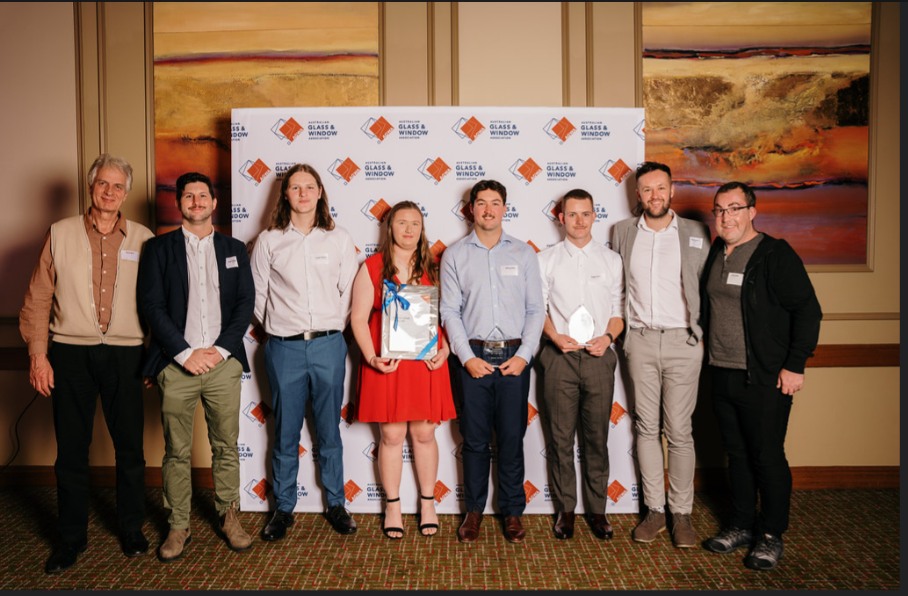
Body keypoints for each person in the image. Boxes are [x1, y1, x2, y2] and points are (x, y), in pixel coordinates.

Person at [20, 154, 154, 574]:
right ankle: (70, 538)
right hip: (69, 353)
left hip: (127, 353)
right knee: (71, 451)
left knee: (130, 448)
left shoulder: (144, 238)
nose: (110, 192)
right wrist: (38, 355)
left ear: (126, 193)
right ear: (91, 186)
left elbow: (157, 304)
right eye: (103, 184)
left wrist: (154, 357)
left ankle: (131, 528)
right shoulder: (59, 233)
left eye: (118, 186)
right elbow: (39, 297)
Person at [700, 181, 821, 571]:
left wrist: (795, 364)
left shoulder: (774, 254)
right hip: (721, 371)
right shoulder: (718, 252)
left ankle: (770, 534)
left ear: (753, 211)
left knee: (766, 456)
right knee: (735, 455)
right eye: (719, 209)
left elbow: (808, 311)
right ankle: (740, 525)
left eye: (734, 208)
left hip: (765, 377)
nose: (726, 217)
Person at [139, 171, 255, 561]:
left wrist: (220, 350)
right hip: (177, 364)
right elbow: (152, 306)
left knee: (226, 446)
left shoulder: (235, 248)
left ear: (214, 202)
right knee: (176, 449)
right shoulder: (158, 250)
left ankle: (229, 516)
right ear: (179, 203)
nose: (196, 202)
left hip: (222, 364)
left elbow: (244, 306)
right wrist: (186, 353)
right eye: (188, 196)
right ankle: (178, 524)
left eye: (202, 195)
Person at [250, 163, 358, 540]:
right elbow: (257, 296)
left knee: (329, 431)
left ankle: (336, 503)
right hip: (284, 347)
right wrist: (280, 327)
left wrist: (333, 330)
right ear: (286, 195)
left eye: (309, 186)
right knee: (285, 434)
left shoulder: (339, 238)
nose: (303, 193)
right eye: (295, 187)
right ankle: (282, 508)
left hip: (329, 344)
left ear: (320, 192)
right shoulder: (268, 241)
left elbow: (348, 292)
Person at [611, 161, 711, 548]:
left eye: (660, 188)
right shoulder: (621, 233)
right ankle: (654, 511)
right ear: (638, 195)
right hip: (640, 341)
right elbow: (616, 288)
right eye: (646, 189)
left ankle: (681, 514)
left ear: (672, 191)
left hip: (684, 343)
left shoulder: (696, 232)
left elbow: (708, 286)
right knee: (646, 428)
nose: (654, 195)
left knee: (679, 432)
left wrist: (701, 336)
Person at [440, 179, 545, 544]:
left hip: (515, 356)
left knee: (512, 438)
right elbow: (449, 310)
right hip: (473, 357)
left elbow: (536, 309)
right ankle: (473, 512)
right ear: (471, 209)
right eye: (481, 203)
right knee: (474, 440)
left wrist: (524, 355)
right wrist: (466, 357)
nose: (488, 209)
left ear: (505, 208)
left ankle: (513, 512)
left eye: (495, 203)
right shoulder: (454, 255)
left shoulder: (524, 253)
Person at [350, 201, 456, 539]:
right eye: (402, 223)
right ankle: (392, 505)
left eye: (415, 223)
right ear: (390, 228)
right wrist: (370, 357)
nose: (409, 229)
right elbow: (358, 318)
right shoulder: (372, 266)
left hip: (426, 363)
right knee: (392, 435)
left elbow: (450, 316)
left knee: (425, 434)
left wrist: (447, 348)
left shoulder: (435, 266)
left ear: (422, 229)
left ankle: (428, 502)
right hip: (388, 363)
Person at [537, 188, 624, 541]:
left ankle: (598, 511)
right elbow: (537, 311)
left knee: (596, 438)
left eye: (585, 213)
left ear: (594, 216)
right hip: (559, 358)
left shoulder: (611, 260)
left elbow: (618, 311)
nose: (579, 220)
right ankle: (566, 510)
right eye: (572, 214)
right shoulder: (546, 259)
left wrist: (608, 337)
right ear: (561, 218)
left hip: (599, 358)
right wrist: (555, 337)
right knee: (560, 439)